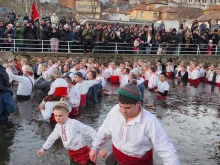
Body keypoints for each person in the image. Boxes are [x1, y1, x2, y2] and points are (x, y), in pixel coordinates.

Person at [89, 83, 180, 165]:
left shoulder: (150, 121)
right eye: (121, 106)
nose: (123, 111)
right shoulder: (116, 110)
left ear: (138, 103)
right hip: (117, 156)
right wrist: (95, 147)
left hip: (138, 162)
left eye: (127, 108)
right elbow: (104, 130)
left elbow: (166, 149)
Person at [37, 101, 106, 165]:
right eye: (55, 115)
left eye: (60, 116)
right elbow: (52, 137)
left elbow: (91, 132)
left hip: (82, 154)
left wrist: (100, 148)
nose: (57, 118)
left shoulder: (74, 123)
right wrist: (43, 148)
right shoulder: (58, 126)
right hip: (72, 154)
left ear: (67, 113)